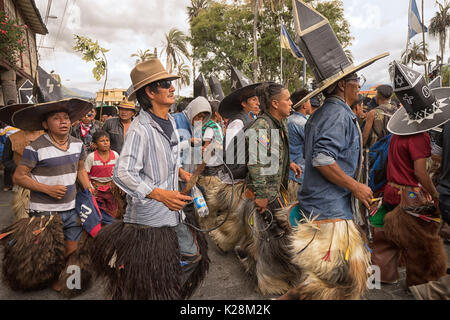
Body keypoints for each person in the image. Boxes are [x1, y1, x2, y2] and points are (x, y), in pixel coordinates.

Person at [279, 0, 389, 300]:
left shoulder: (327, 112)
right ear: (342, 85)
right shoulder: (337, 114)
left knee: (335, 284)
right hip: (329, 214)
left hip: (328, 210)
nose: (358, 84)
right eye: (355, 80)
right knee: (330, 284)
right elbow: (323, 159)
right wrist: (357, 187)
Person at [90, 58, 209, 300]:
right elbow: (122, 173)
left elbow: (168, 159)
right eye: (165, 84)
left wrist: (180, 172)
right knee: (150, 280)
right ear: (150, 92)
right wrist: (158, 194)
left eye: (170, 83)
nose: (172, 88)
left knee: (193, 256)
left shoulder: (172, 122)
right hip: (149, 221)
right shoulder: (140, 129)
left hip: (174, 214)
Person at [6, 98, 93, 292]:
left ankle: (69, 280)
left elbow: (80, 169)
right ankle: (50, 279)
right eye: (56, 118)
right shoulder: (35, 147)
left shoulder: (78, 144)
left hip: (72, 207)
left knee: (73, 247)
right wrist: (47, 189)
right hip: (44, 212)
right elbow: (19, 177)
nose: (63, 122)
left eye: (66, 118)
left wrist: (88, 190)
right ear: (45, 124)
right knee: (49, 250)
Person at [381, 61, 449, 288]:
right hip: (409, 197)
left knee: (401, 243)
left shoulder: (397, 137)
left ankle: (388, 278)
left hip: (392, 191)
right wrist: (434, 193)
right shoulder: (420, 138)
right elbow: (420, 172)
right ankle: (420, 287)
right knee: (423, 247)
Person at [236, 82, 302, 295]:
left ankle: (270, 272)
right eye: (287, 99)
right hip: (265, 191)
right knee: (271, 235)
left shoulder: (278, 122)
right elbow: (257, 164)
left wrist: (288, 163)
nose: (291, 103)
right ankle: (269, 280)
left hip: (275, 188)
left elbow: (274, 153)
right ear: (275, 103)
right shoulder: (261, 127)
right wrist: (263, 197)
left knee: (273, 233)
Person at [0, 103, 44, 220]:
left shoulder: (47, 136)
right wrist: (20, 170)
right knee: (23, 219)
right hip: (22, 186)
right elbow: (6, 160)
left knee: (44, 220)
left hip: (46, 183)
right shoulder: (12, 138)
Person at [84, 130, 120, 222]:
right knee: (97, 212)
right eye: (102, 141)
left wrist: (119, 186)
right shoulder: (91, 157)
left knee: (113, 212)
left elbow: (119, 172)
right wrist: (90, 188)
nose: (105, 143)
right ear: (95, 144)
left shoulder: (115, 155)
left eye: (107, 140)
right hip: (96, 190)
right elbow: (86, 174)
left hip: (111, 189)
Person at [286, 88, 311, 203]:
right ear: (304, 105)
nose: (310, 104)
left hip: (292, 174)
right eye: (309, 101)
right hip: (298, 176)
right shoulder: (301, 123)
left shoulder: (289, 120)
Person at [0, 121, 19, 191]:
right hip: (15, 148)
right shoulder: (18, 129)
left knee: (8, 166)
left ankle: (8, 185)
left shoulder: (6, 129)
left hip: (8, 147)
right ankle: (14, 185)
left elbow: (2, 138)